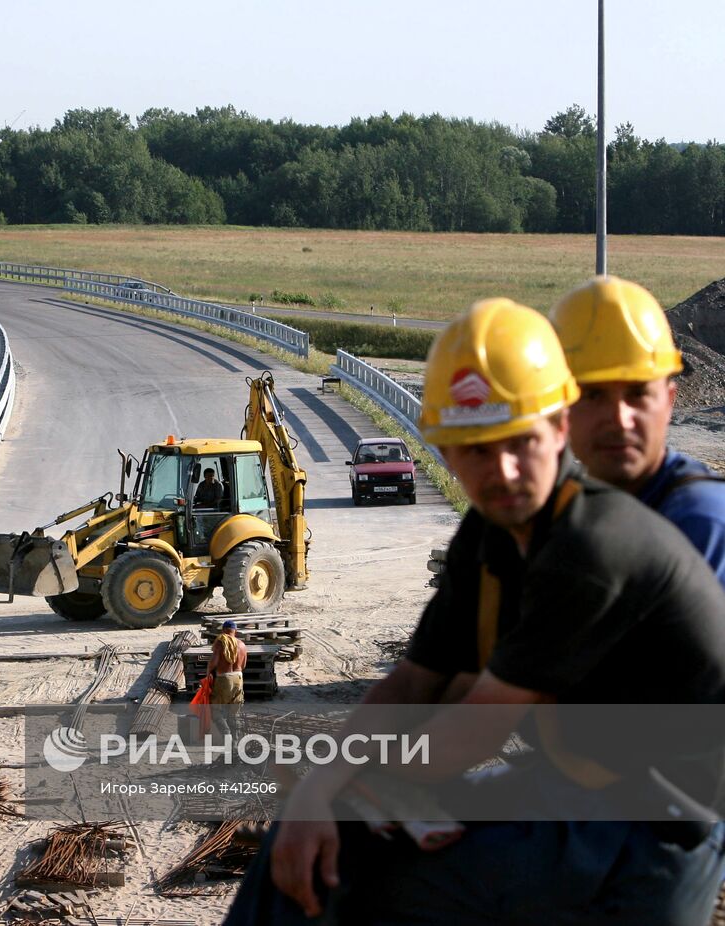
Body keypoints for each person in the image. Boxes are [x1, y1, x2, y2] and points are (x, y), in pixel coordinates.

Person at [223, 298, 725, 926]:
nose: (504, 470)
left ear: (559, 427)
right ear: (445, 452)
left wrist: (326, 785)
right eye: (477, 448)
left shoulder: (593, 544)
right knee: (319, 849)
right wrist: (322, 785)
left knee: (345, 852)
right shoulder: (490, 538)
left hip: (648, 833)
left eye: (521, 441)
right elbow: (410, 684)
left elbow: (474, 729)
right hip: (573, 797)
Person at [550, 275, 725, 584]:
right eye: (593, 395)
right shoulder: (552, 516)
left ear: (670, 401)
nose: (619, 418)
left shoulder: (701, 523)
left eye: (637, 394)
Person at [209, 618, 248, 742]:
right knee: (234, 712)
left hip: (224, 678)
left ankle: (227, 736)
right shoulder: (242, 645)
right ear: (235, 631)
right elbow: (244, 665)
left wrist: (208, 672)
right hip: (239, 678)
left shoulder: (221, 642)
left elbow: (214, 662)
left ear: (224, 630)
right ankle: (236, 740)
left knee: (215, 710)